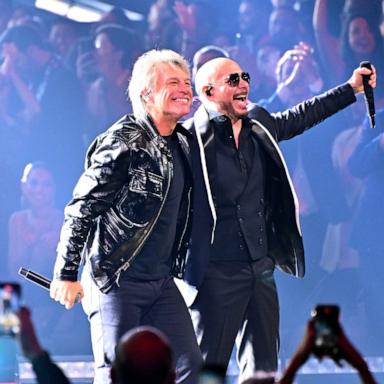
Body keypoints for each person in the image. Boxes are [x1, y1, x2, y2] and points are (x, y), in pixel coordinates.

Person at [179, 56, 376, 382]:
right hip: (215, 273)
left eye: (243, 76)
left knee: (263, 370)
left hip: (260, 268)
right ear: (208, 92)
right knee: (205, 371)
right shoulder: (189, 140)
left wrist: (352, 88)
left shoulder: (258, 123)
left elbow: (301, 116)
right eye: (232, 80)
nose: (243, 83)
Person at [50, 49, 202, 384]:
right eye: (174, 82)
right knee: (113, 372)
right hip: (115, 280)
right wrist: (66, 273)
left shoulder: (184, 142)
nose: (185, 89)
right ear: (146, 93)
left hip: (161, 281)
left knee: (190, 364)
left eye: (187, 83)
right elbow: (81, 209)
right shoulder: (123, 143)